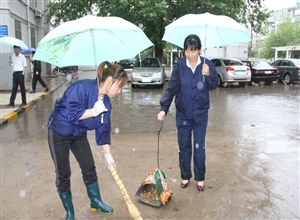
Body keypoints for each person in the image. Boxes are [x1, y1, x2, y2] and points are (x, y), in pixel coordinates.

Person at [47, 61, 128, 220]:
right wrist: (93, 111)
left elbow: (104, 129)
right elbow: (72, 114)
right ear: (109, 80)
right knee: (64, 173)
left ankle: (95, 201)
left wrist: (108, 155)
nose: (119, 91)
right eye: (118, 86)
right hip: (59, 130)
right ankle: (70, 212)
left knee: (89, 167)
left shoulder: (106, 103)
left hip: (78, 133)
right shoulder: (81, 87)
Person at [157, 34, 218, 192]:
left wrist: (209, 74)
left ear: (199, 50)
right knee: (183, 146)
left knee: (199, 147)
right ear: (184, 50)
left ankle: (200, 177)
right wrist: (164, 108)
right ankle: (185, 176)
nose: (190, 55)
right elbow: (171, 88)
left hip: (200, 115)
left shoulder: (206, 64)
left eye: (194, 51)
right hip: (183, 114)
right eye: (187, 51)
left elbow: (214, 85)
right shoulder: (179, 67)